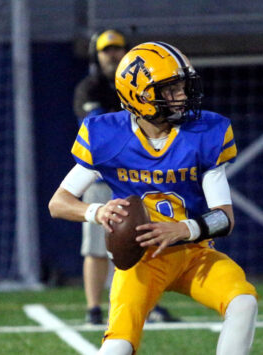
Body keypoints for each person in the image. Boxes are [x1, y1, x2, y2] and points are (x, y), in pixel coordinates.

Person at [50, 41, 258, 354]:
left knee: (243, 302)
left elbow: (224, 217)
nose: (182, 97)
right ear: (140, 94)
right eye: (171, 89)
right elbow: (59, 202)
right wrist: (97, 211)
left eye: (183, 87)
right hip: (142, 259)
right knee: (117, 346)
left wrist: (183, 229)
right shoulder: (107, 134)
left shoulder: (204, 132)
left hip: (194, 253)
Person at [73, 29, 177, 325]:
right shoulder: (90, 88)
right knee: (95, 245)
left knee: (143, 242)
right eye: (107, 50)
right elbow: (97, 130)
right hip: (102, 178)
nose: (113, 54)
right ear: (97, 54)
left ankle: (148, 305)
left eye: (118, 48)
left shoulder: (142, 89)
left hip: (136, 179)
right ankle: (94, 308)